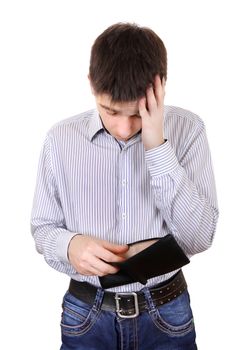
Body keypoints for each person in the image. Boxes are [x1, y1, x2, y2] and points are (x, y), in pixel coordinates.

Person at [31, 22, 219, 350]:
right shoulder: (60, 140)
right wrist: (69, 244)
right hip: (85, 315)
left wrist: (157, 145)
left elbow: (198, 238)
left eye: (136, 114)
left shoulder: (188, 131)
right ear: (91, 84)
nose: (122, 127)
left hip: (167, 313)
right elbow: (43, 227)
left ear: (160, 87)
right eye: (110, 111)